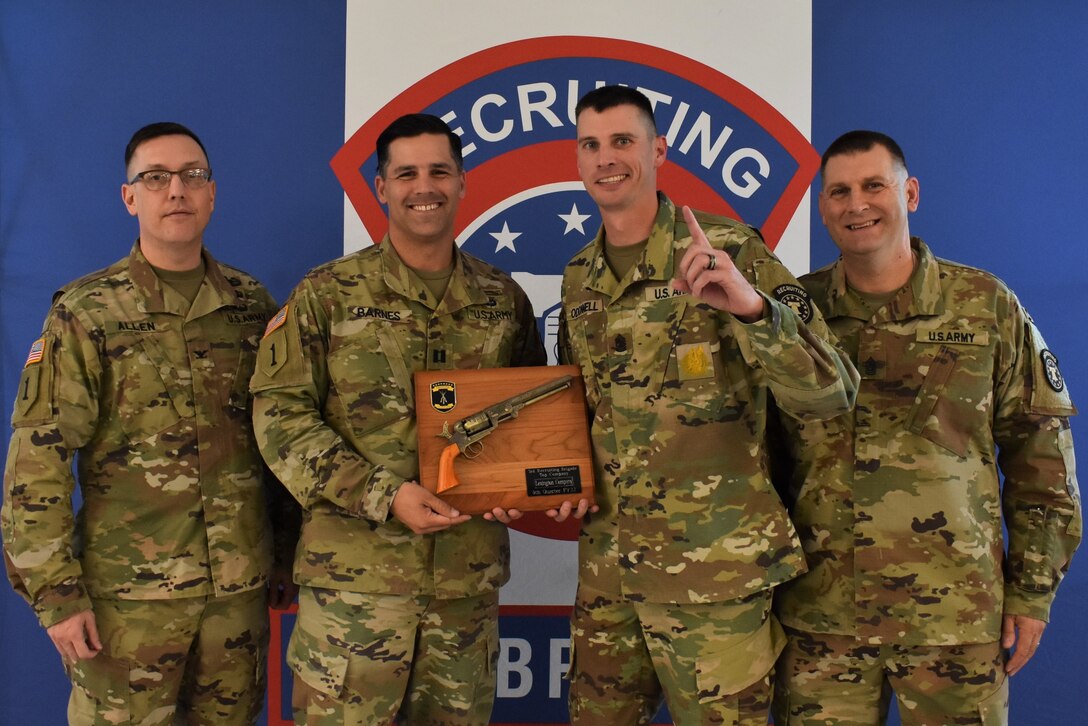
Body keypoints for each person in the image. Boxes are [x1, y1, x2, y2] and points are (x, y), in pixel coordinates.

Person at [555, 85, 858, 725]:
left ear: (659, 150)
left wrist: (752, 309)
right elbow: (577, 415)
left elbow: (831, 391)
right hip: (610, 576)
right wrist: (554, 478)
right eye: (591, 144)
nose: (606, 159)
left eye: (623, 141)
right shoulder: (579, 275)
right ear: (578, 159)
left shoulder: (727, 251)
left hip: (715, 576)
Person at [771, 130, 1081, 725]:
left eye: (873, 186)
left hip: (954, 617)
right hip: (820, 620)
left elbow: (1041, 457)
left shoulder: (985, 305)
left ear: (909, 193)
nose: (855, 204)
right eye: (838, 191)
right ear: (823, 207)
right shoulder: (794, 316)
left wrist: (1033, 590)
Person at [250, 113, 547, 725]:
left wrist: (518, 486)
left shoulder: (503, 300)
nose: (424, 186)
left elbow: (531, 421)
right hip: (354, 595)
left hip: (464, 597)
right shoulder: (327, 294)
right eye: (405, 173)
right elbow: (279, 417)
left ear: (464, 182)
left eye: (440, 170)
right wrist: (384, 495)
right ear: (381, 188)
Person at [1, 121, 299, 725]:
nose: (177, 191)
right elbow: (40, 458)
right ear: (129, 196)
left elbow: (280, 440)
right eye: (156, 178)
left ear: (212, 193)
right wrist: (55, 593)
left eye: (192, 176)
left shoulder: (251, 306)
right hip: (127, 604)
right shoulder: (87, 312)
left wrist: (286, 552)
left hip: (236, 598)